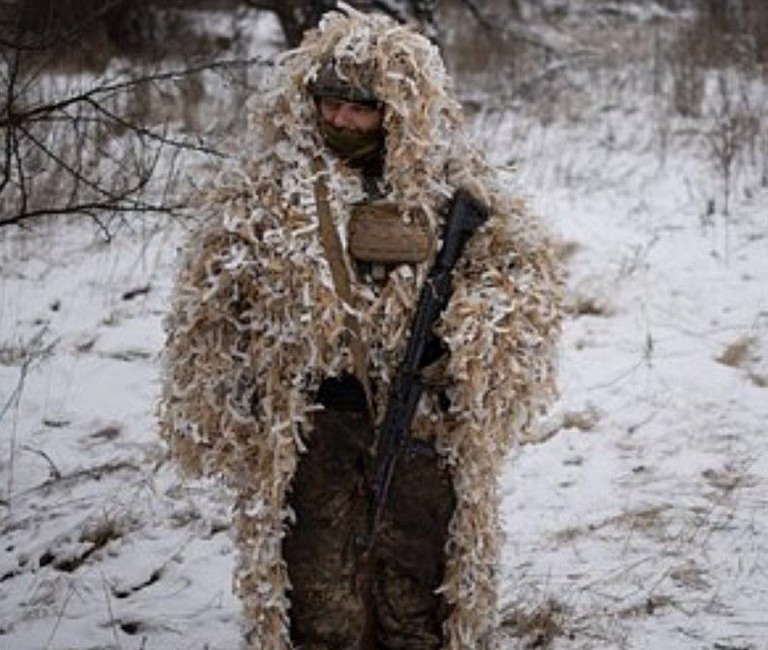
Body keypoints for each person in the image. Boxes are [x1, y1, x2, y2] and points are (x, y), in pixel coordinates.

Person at [160, 6, 561, 650]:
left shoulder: (451, 185)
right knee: (318, 599)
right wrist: (228, 408)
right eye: (330, 103)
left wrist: (465, 338)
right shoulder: (265, 190)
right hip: (312, 425)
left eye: (362, 107)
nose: (341, 120)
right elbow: (210, 308)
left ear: (399, 107)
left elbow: (521, 275)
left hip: (422, 424)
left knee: (418, 595)